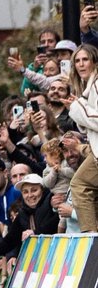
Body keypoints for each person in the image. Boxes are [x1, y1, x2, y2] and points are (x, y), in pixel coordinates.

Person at [0, 174, 59, 272]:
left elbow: (55, 222)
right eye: (25, 192)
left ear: (42, 190)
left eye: (34, 190)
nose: (30, 195)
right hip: (42, 263)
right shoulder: (22, 213)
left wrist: (35, 232)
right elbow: (9, 240)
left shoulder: (51, 202)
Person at [65, 45, 98, 231]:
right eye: (77, 60)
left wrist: (77, 108)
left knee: (79, 185)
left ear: (94, 61)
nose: (80, 64)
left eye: (85, 59)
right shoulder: (89, 87)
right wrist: (77, 107)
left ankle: (92, 239)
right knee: (84, 187)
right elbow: (89, 128)